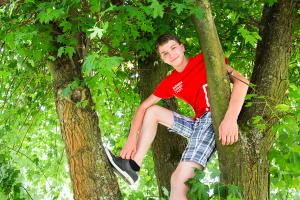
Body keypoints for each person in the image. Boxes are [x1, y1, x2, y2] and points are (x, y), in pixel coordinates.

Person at [104, 34, 249, 199]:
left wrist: (230, 119)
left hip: (213, 119)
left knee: (179, 179)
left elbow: (242, 82)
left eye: (173, 48)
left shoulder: (204, 59)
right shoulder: (171, 82)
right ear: (162, 59)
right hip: (198, 122)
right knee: (152, 111)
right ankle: (132, 166)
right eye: (164, 53)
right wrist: (131, 139)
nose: (171, 54)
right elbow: (143, 106)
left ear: (182, 47)